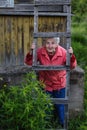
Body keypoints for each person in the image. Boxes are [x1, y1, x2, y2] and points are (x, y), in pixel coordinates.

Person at [24, 37, 77, 127]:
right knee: (46, 107)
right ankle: (45, 125)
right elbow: (29, 62)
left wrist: (71, 56)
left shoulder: (64, 52)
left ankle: (62, 125)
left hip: (59, 84)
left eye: (52, 43)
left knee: (60, 107)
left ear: (57, 44)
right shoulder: (40, 51)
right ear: (45, 43)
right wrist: (31, 52)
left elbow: (72, 66)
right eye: (48, 43)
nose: (50, 45)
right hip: (45, 83)